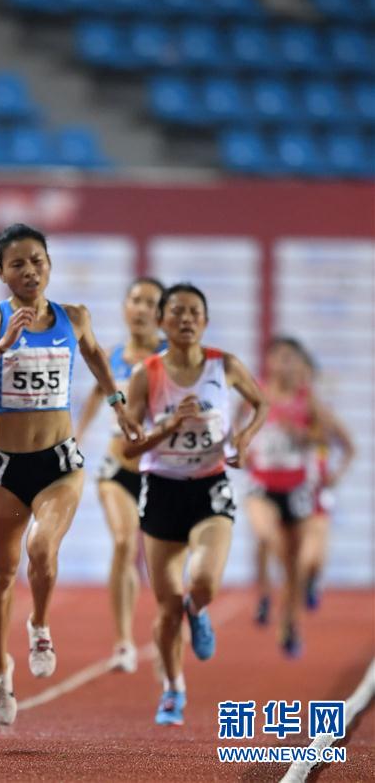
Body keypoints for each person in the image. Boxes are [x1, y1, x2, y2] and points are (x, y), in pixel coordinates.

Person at [0, 223, 142, 733]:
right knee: (1, 574)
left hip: (59, 463)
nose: (29, 271)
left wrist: (118, 404)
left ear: (49, 264)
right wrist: (1, 346)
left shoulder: (74, 317)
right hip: (7, 468)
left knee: (41, 547)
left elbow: (96, 356)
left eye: (37, 260)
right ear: (1, 273)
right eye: (17, 264)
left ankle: (38, 623)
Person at [123, 283, 267, 726]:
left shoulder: (225, 365)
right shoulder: (146, 373)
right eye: (177, 312)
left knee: (202, 583)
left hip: (210, 487)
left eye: (194, 313)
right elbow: (130, 447)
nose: (186, 319)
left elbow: (260, 403)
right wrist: (168, 427)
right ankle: (173, 689)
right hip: (162, 490)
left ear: (205, 321)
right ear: (161, 321)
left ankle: (199, 610)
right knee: (167, 608)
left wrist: (244, 438)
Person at [76, 277, 165, 673]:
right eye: (136, 300)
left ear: (161, 314)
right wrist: (77, 438)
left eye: (150, 303)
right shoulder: (111, 356)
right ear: (125, 307)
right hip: (118, 468)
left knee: (163, 560)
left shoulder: (172, 357)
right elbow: (97, 395)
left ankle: (171, 630)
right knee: (125, 542)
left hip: (162, 471)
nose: (141, 309)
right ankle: (124, 642)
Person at [244, 337, 355, 654]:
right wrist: (241, 448)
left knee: (301, 564)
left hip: (302, 491)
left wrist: (304, 436)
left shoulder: (310, 401)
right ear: (269, 362)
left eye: (291, 360)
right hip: (263, 486)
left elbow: (331, 439)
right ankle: (264, 595)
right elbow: (235, 428)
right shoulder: (256, 394)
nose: (286, 366)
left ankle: (290, 624)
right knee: (266, 537)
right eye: (279, 358)